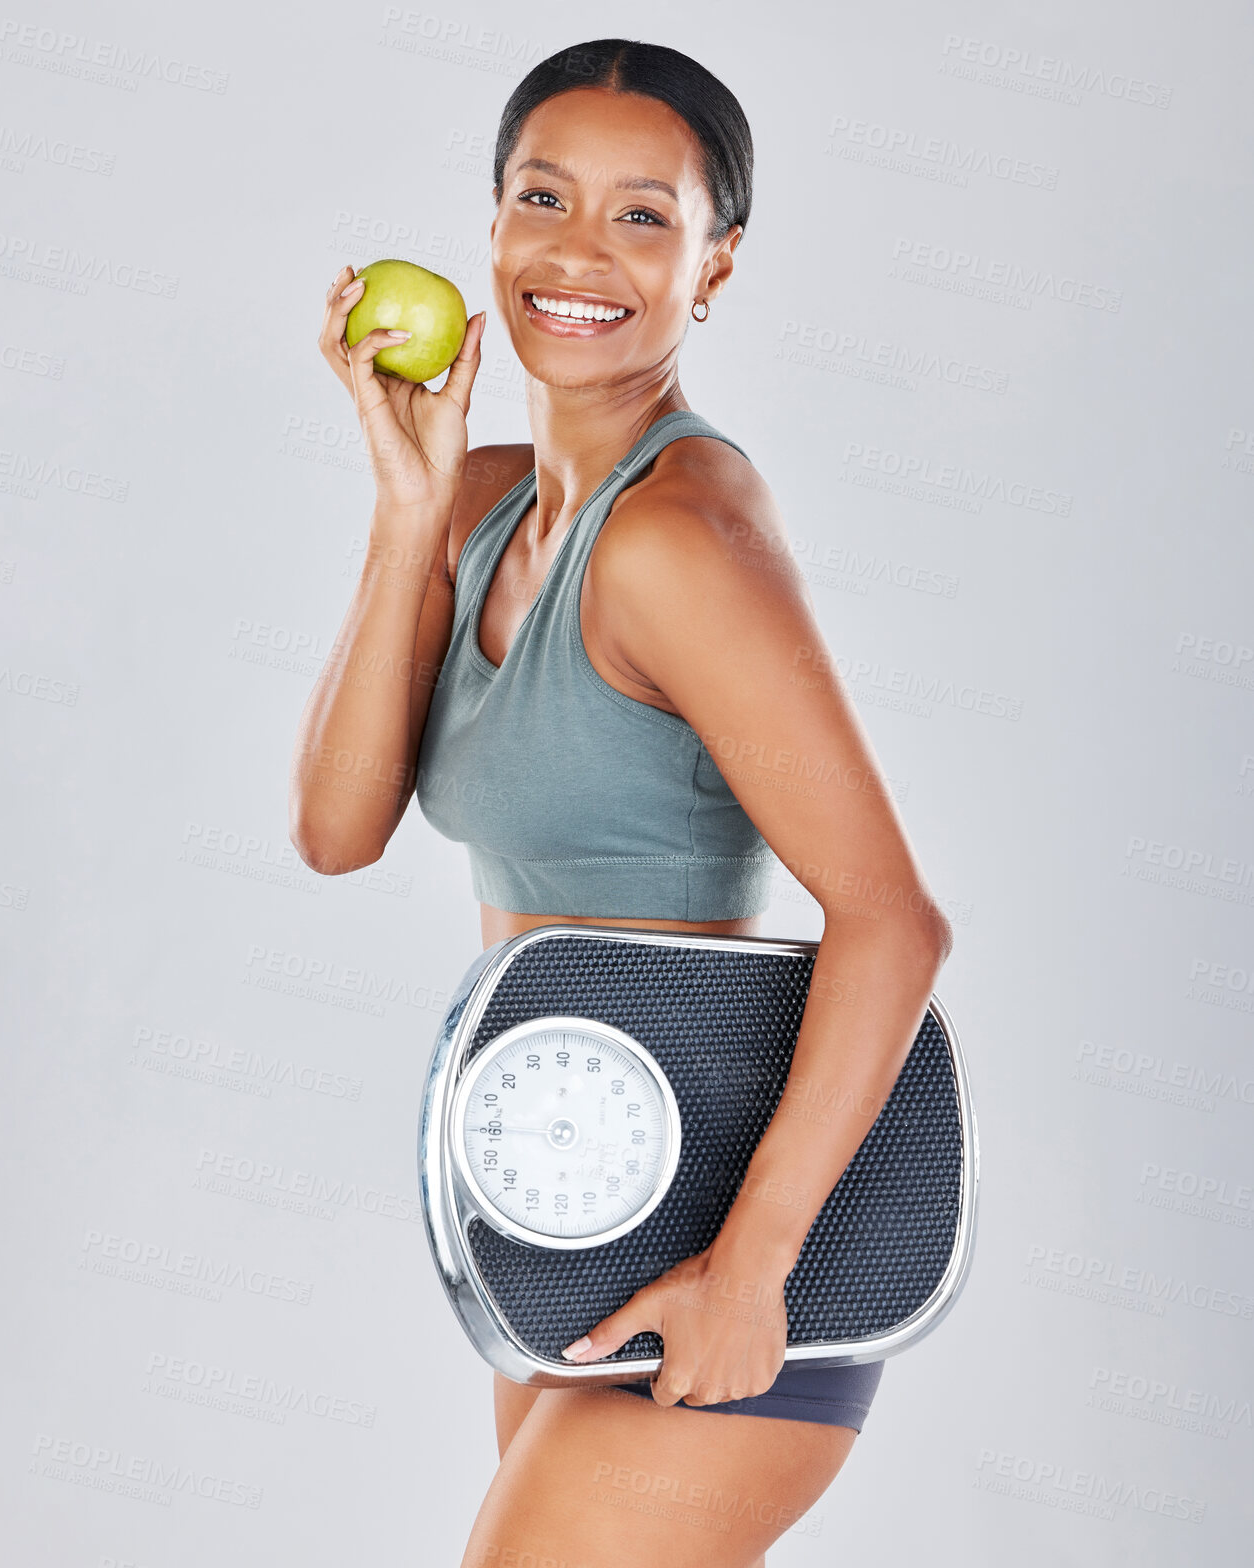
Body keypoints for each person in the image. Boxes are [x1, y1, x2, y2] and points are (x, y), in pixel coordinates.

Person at [292, 37, 953, 1568]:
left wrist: (751, 1272)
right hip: (576, 1181)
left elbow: (891, 923)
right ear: (493, 230)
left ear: (715, 265)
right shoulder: (477, 503)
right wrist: (407, 506)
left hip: (733, 1207)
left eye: (643, 217)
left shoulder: (680, 543)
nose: (579, 252)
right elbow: (335, 833)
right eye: (544, 198)